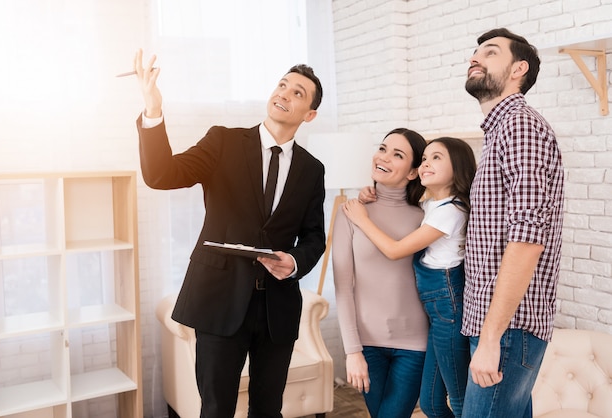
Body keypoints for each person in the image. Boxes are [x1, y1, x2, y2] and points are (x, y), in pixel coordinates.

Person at [133, 49, 327, 418]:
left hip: (277, 309)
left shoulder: (312, 169)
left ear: (310, 114)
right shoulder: (222, 142)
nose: (284, 94)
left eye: (297, 93)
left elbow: (315, 236)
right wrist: (153, 109)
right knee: (216, 409)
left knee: (268, 409)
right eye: (282, 85)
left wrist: (295, 261)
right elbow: (160, 175)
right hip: (220, 301)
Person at [460, 28, 564, 417]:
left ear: (519, 68)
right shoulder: (499, 131)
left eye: (489, 52)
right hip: (499, 325)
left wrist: (491, 337)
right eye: (474, 53)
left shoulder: (519, 126)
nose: (475, 58)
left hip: (506, 327)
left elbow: (527, 238)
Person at [344, 136, 476, 418]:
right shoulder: (430, 208)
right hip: (432, 313)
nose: (427, 163)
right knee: (430, 404)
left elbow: (394, 250)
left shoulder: (451, 211)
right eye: (425, 158)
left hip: (446, 309)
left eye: (436, 158)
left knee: (460, 398)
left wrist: (363, 219)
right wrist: (370, 195)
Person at [332, 128, 429, 418]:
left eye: (398, 154)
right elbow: (343, 287)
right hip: (367, 343)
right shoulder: (349, 211)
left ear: (413, 172)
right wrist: (352, 351)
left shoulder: (426, 216)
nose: (383, 157)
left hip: (415, 344)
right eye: (383, 148)